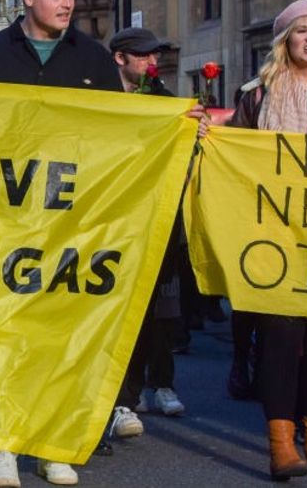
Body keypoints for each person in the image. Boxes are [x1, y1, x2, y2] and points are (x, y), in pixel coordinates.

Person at [0, 0, 121, 488]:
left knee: (60, 334)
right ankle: (2, 445)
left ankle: (53, 443)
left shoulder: (92, 55)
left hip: (74, 223)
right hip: (6, 221)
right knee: (4, 334)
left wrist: (175, 122)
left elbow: (124, 133)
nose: (68, 4)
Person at [224, 0, 307, 480]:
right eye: (301, 31)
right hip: (273, 235)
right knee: (278, 336)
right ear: (287, 41)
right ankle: (280, 445)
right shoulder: (257, 94)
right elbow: (235, 154)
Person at [101, 28, 186, 453]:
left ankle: (127, 399)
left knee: (146, 313)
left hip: (151, 220)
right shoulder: (97, 93)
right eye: (143, 56)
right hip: (106, 221)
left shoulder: (164, 99)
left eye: (154, 56)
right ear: (121, 58)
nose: (151, 63)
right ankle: (110, 399)